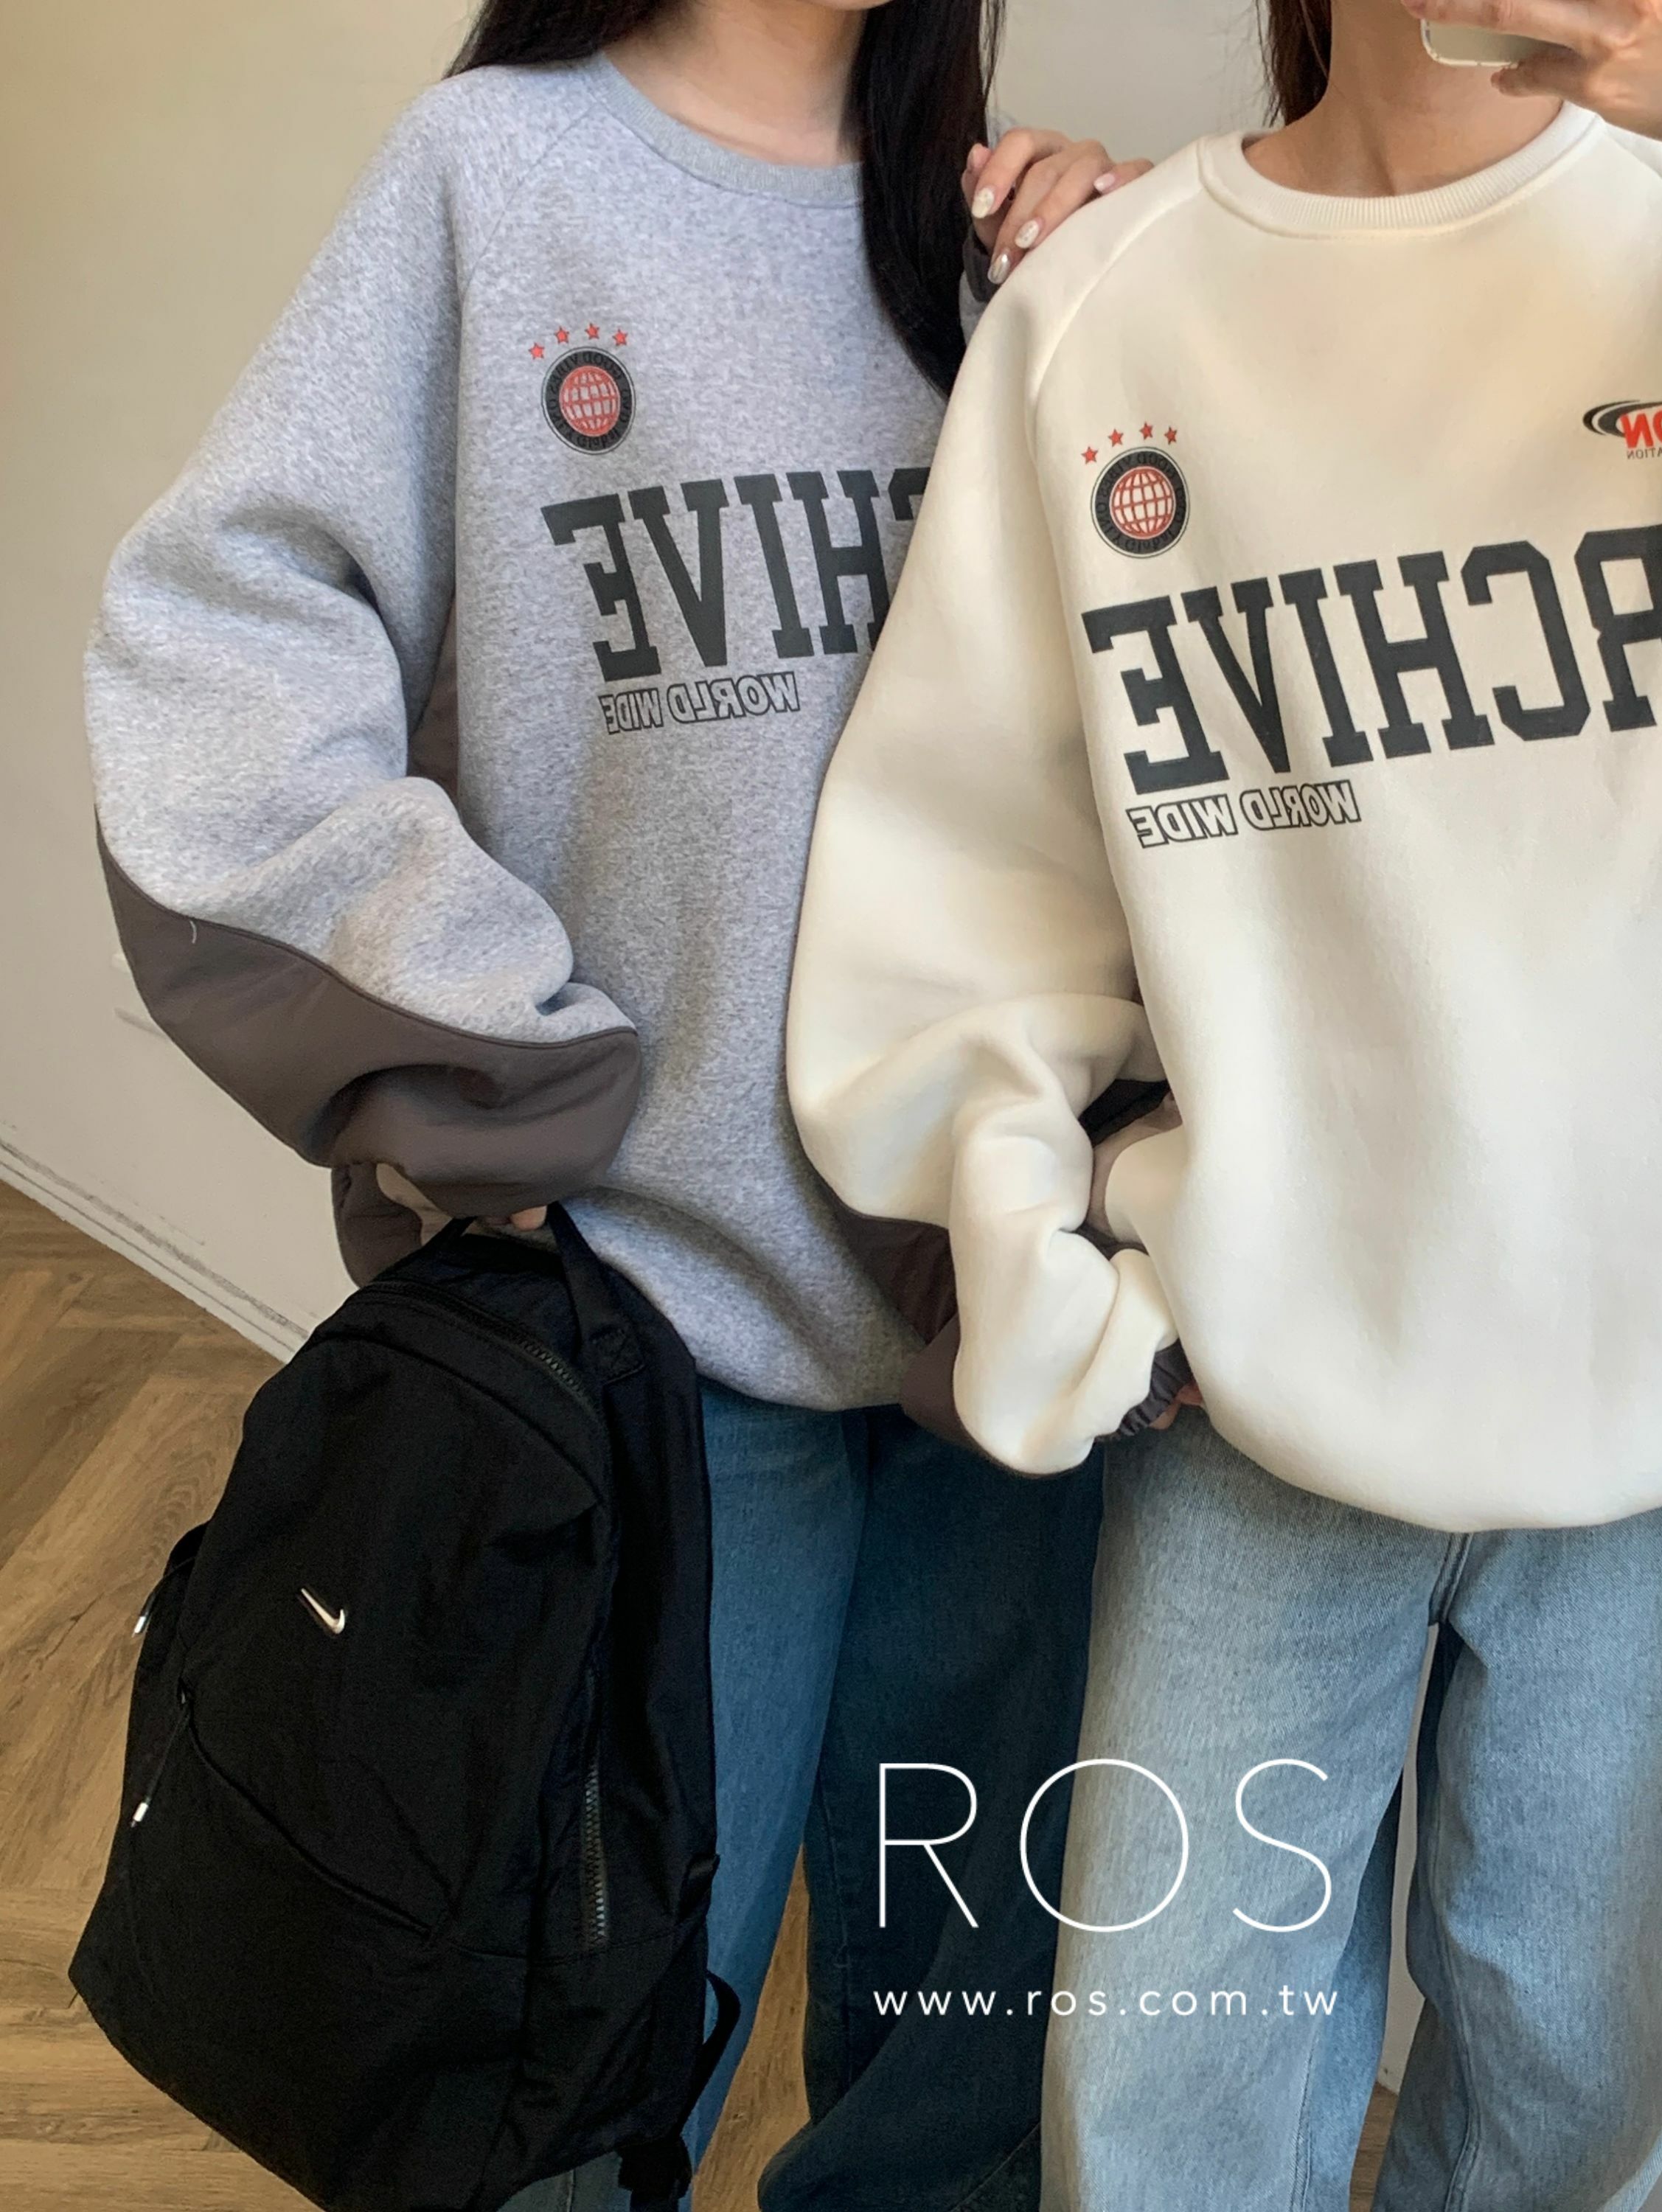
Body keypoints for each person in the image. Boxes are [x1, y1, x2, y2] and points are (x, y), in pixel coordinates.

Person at [782, 0, 1662, 2204]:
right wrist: (1027, 1256)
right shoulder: (1109, 315)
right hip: (1262, 1396)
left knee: (1567, 2096)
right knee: (1160, 2114)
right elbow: (973, 885)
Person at [82, 2, 1150, 2206]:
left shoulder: (1008, 239)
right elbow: (219, 646)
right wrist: (501, 1063)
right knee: (571, 2068)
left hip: (1013, 1343)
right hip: (656, 1360)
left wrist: (1149, 296)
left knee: (966, 2075)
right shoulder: (496, 181)